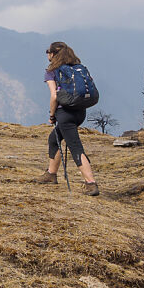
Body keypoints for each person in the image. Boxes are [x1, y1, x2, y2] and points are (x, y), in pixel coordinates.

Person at [33, 42, 99, 196]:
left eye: (48, 52)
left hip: (65, 115)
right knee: (53, 139)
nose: (47, 55)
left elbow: (54, 96)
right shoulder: (78, 68)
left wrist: (51, 115)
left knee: (75, 147)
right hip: (80, 112)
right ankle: (51, 174)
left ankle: (91, 183)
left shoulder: (52, 71)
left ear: (53, 54)